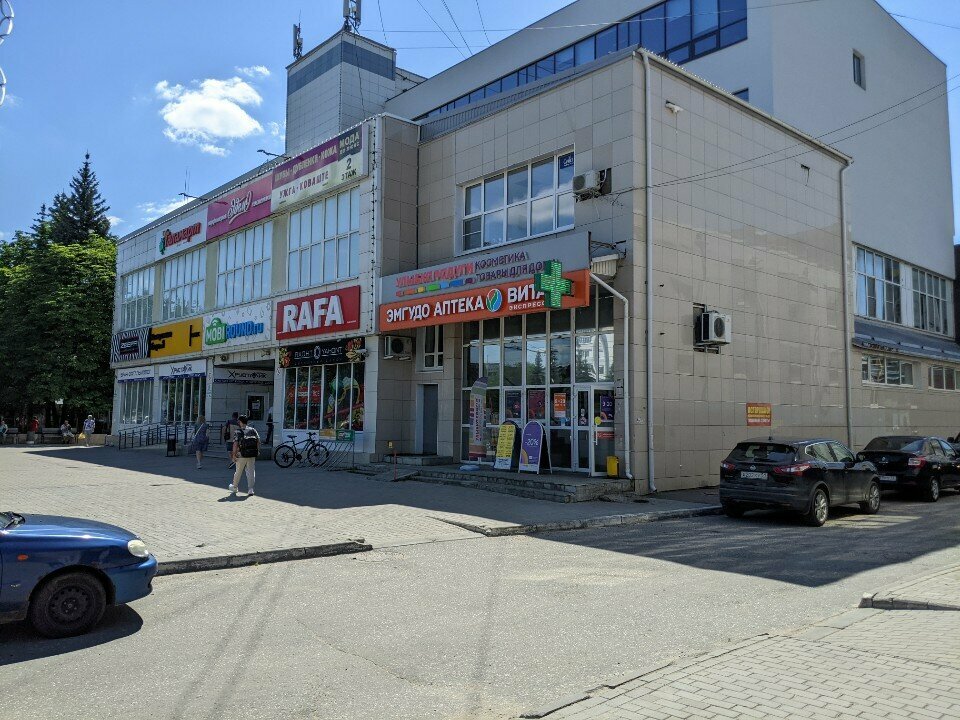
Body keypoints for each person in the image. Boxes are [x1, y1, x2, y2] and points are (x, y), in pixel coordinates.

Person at [228, 415, 260, 497]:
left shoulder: (238, 431)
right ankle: (250, 489)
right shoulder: (253, 430)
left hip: (241, 454)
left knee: (238, 471)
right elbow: (258, 441)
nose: (238, 423)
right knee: (251, 471)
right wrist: (257, 451)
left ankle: (235, 487)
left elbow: (235, 444)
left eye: (239, 421)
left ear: (241, 422)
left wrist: (234, 455)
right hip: (252, 454)